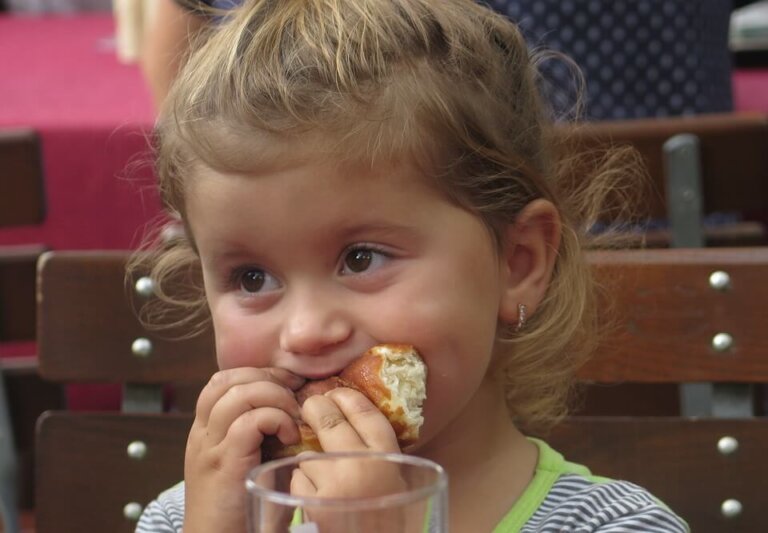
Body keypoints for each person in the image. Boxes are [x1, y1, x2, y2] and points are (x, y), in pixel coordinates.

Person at [134, 0, 688, 531]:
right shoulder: (184, 519)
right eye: (252, 278)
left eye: (360, 259)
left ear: (517, 263)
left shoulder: (618, 526)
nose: (305, 331)